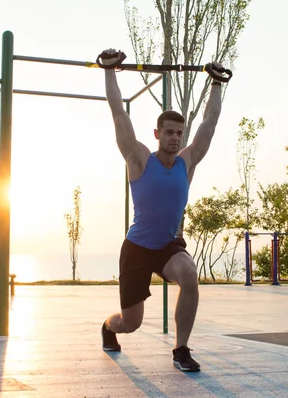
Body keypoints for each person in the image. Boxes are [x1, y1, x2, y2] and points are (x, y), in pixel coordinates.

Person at [99, 48, 226, 372]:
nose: (174, 137)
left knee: (189, 275)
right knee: (131, 323)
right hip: (137, 249)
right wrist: (109, 70)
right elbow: (117, 115)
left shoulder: (187, 161)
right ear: (157, 134)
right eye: (168, 132)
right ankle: (108, 326)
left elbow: (210, 123)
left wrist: (216, 83)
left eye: (179, 133)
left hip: (168, 246)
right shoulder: (139, 159)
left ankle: (181, 350)